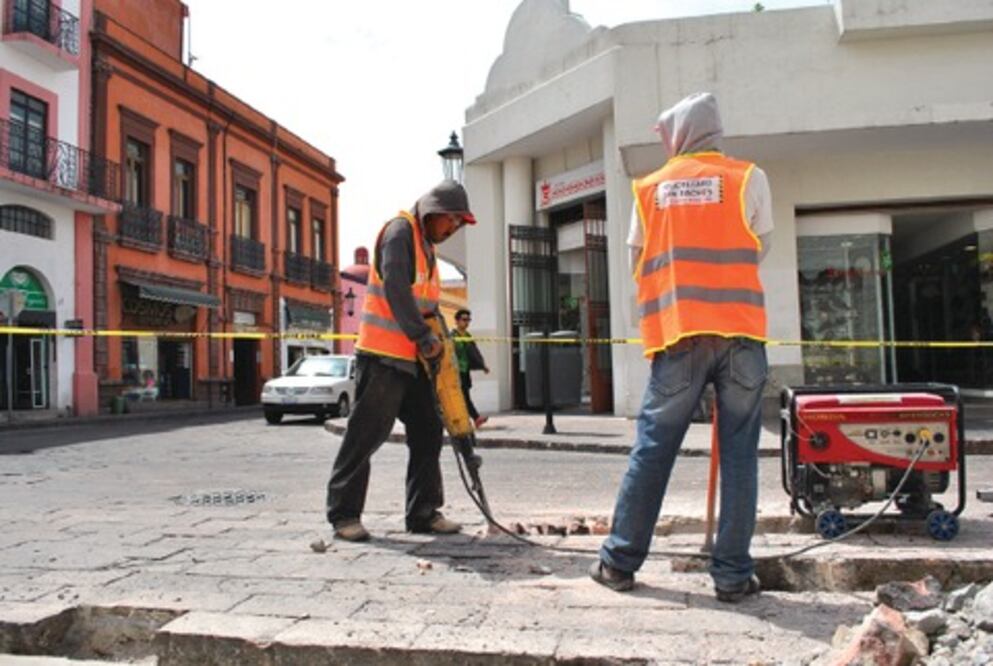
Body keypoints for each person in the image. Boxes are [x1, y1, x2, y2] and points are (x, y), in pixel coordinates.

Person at [590, 92, 774, 602]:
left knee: (653, 450)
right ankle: (734, 576)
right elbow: (762, 246)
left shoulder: (650, 189)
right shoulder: (748, 178)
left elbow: (634, 261)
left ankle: (619, 563)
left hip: (679, 335)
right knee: (740, 455)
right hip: (741, 333)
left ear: (678, 133)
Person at [325, 180, 476, 542]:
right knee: (366, 435)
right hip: (383, 357)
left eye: (457, 225)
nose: (452, 229)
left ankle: (423, 511)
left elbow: (425, 304)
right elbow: (395, 288)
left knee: (427, 430)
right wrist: (423, 337)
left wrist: (436, 341)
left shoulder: (426, 247)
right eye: (452, 222)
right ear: (434, 212)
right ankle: (344, 514)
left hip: (415, 359)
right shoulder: (399, 233)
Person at [452, 308, 490, 428]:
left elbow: (474, 353)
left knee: (464, 395)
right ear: (457, 321)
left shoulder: (467, 336)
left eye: (468, 320)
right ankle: (475, 417)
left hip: (465, 370)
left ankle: (473, 418)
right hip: (455, 372)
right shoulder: (452, 336)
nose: (466, 322)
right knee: (463, 396)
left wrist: (482, 366)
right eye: (464, 320)